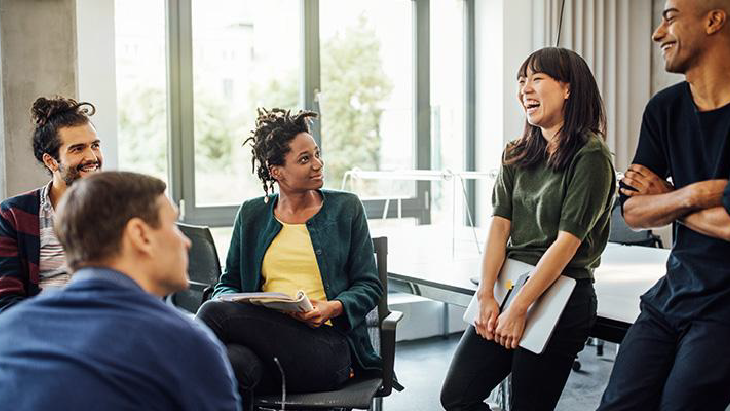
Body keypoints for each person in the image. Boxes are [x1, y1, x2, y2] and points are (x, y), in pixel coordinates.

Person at [440, 47, 616, 411]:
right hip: (508, 285)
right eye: (522, 82)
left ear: (568, 89)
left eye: (537, 79)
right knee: (457, 396)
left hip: (560, 294)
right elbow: (498, 228)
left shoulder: (591, 156)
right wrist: (486, 293)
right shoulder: (516, 153)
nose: (525, 90)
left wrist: (520, 307)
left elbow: (566, 245)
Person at [0, 171, 240, 411]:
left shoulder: (9, 329)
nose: (186, 242)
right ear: (140, 235)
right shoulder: (186, 343)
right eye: (173, 226)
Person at [196, 108, 383, 410]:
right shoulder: (252, 214)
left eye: (316, 154)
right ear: (276, 171)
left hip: (326, 349)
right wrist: (242, 301)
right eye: (305, 159)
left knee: (212, 314)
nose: (318, 164)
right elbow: (226, 285)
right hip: (265, 352)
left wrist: (331, 307)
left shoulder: (346, 208)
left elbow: (369, 286)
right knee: (232, 363)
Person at [599, 1, 730, 409]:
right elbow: (632, 212)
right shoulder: (664, 108)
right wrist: (697, 193)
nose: (657, 33)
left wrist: (667, 198)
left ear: (713, 20)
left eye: (670, 17)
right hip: (671, 295)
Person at [0, 96, 104, 312]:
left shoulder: (118, 209)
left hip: (103, 328)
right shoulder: (13, 215)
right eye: (77, 149)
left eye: (95, 145)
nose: (92, 156)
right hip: (40, 331)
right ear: (51, 161)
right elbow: (6, 300)